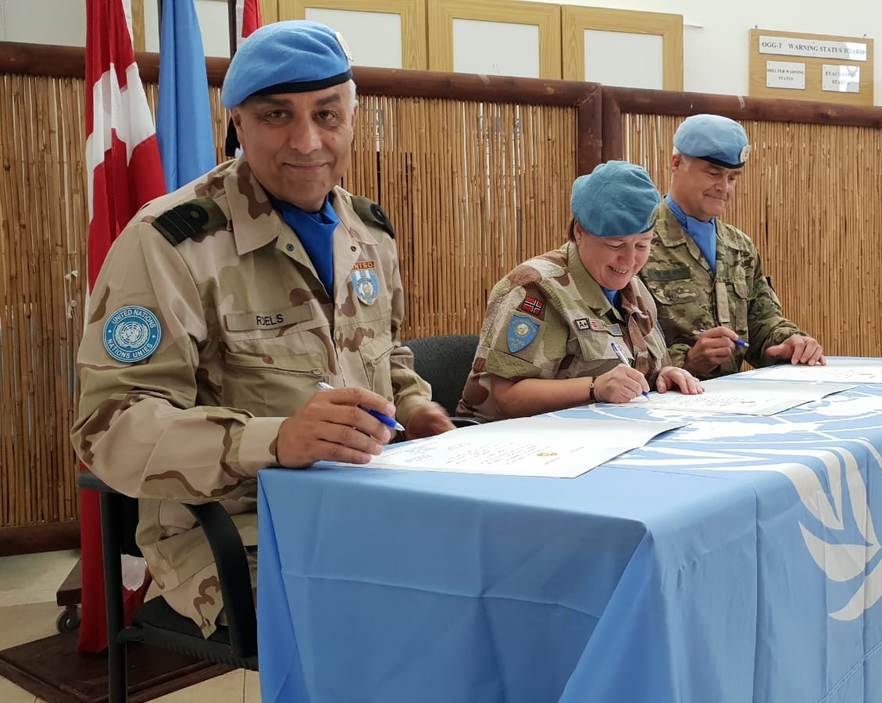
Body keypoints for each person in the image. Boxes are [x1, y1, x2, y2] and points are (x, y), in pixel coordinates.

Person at [70, 20, 453, 637]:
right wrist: (275, 441)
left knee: (505, 573)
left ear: (352, 119)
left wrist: (413, 408)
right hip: (236, 532)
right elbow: (108, 428)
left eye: (327, 115)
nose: (307, 141)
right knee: (403, 620)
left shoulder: (367, 233)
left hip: (370, 503)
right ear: (238, 124)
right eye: (277, 115)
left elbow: (387, 355)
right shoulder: (171, 244)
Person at [458, 161, 702, 421]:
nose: (630, 260)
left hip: (606, 430)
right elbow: (507, 398)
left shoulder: (633, 290)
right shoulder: (537, 289)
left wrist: (661, 376)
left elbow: (633, 370)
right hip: (512, 437)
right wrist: (595, 388)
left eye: (642, 245)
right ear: (579, 232)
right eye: (616, 245)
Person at [638, 114, 825, 379]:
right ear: (676, 163)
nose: (724, 187)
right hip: (663, 399)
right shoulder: (639, 244)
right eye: (713, 173)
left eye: (733, 177)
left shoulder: (739, 247)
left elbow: (761, 322)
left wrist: (789, 341)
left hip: (733, 397)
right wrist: (686, 362)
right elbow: (620, 345)